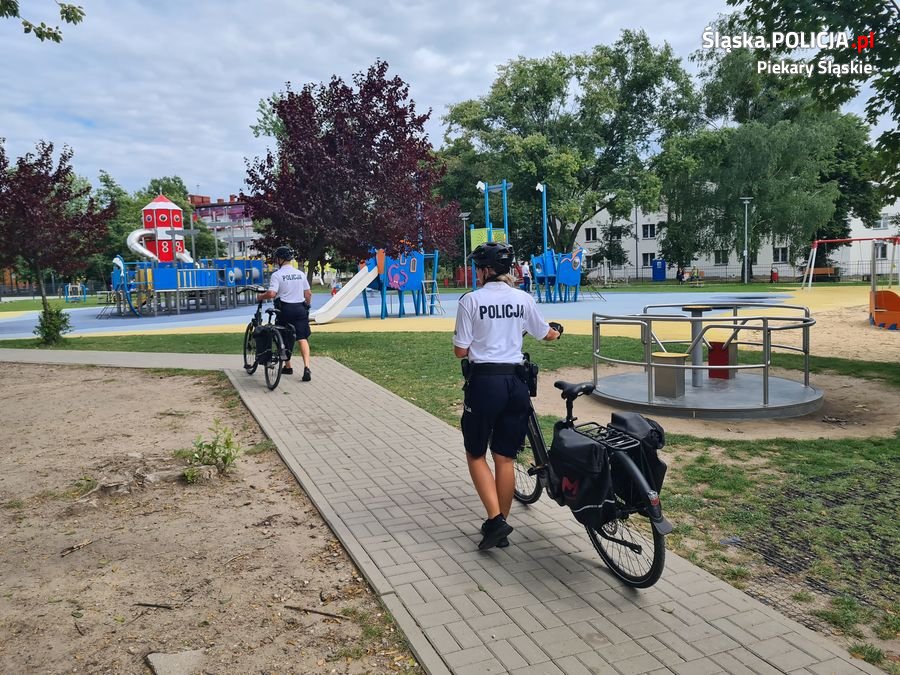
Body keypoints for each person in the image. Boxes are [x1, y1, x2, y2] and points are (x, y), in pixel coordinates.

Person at [453, 241, 562, 550]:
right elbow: (546, 333)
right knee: (505, 457)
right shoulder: (523, 299)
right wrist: (558, 331)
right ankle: (500, 522)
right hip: (516, 384)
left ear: (486, 270)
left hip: (485, 384)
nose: (476, 274)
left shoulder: (470, 301)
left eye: (478, 269)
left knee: (475, 453)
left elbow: (460, 349)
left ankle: (495, 521)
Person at [257, 246, 313, 381]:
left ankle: (288, 366)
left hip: (285, 309)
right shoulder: (300, 274)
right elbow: (308, 293)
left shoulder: (277, 275)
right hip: (300, 309)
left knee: (283, 336)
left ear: (280, 259)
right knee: (302, 338)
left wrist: (260, 297)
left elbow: (271, 293)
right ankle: (306, 368)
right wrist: (307, 305)